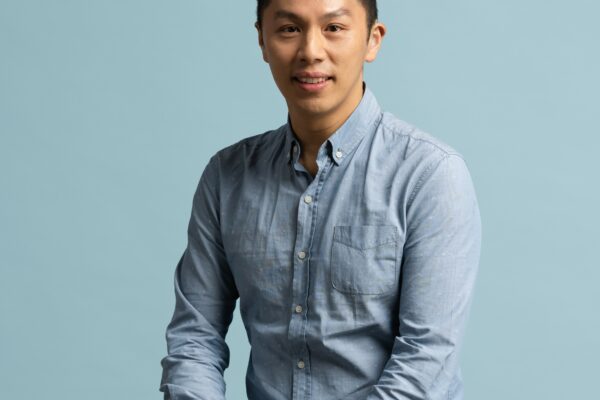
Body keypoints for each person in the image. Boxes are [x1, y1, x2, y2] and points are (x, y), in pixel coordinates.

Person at [159, 0, 482, 399]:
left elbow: (427, 360)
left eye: (334, 28)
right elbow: (195, 337)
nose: (311, 51)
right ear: (262, 40)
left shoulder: (429, 175)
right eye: (289, 29)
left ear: (372, 40)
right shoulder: (227, 177)